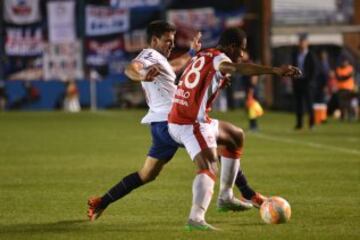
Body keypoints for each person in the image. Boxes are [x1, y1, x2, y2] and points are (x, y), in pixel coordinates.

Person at [87, 21, 267, 223]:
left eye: (172, 41)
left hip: (160, 126)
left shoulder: (160, 60)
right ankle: (246, 195)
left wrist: (190, 54)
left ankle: (101, 202)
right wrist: (142, 75)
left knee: (146, 174)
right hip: (174, 120)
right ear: (154, 40)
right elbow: (131, 68)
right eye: (167, 41)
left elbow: (173, 66)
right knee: (225, 142)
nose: (171, 45)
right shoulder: (148, 55)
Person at [168, 27, 301, 230]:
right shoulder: (220, 59)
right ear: (231, 47)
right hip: (189, 123)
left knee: (235, 135)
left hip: (187, 118)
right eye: (241, 49)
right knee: (209, 167)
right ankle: (196, 218)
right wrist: (274, 70)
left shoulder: (204, 54)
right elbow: (237, 68)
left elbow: (195, 79)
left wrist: (217, 81)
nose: (241, 54)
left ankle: (226, 197)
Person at [291, 33, 317, 130]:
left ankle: (311, 124)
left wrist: (310, 81)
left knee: (309, 104)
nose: (301, 43)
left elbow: (314, 69)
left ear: (307, 43)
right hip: (298, 81)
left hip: (307, 82)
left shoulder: (311, 55)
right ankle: (299, 124)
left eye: (303, 41)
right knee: (299, 104)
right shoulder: (295, 54)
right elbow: (293, 67)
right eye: (300, 41)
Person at [335, 55, 356, 121]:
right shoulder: (338, 69)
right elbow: (339, 78)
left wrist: (344, 77)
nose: (344, 63)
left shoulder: (350, 68)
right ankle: (342, 117)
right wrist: (346, 76)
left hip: (349, 88)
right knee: (341, 104)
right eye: (343, 62)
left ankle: (351, 116)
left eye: (345, 61)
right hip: (341, 88)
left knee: (348, 103)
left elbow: (349, 76)